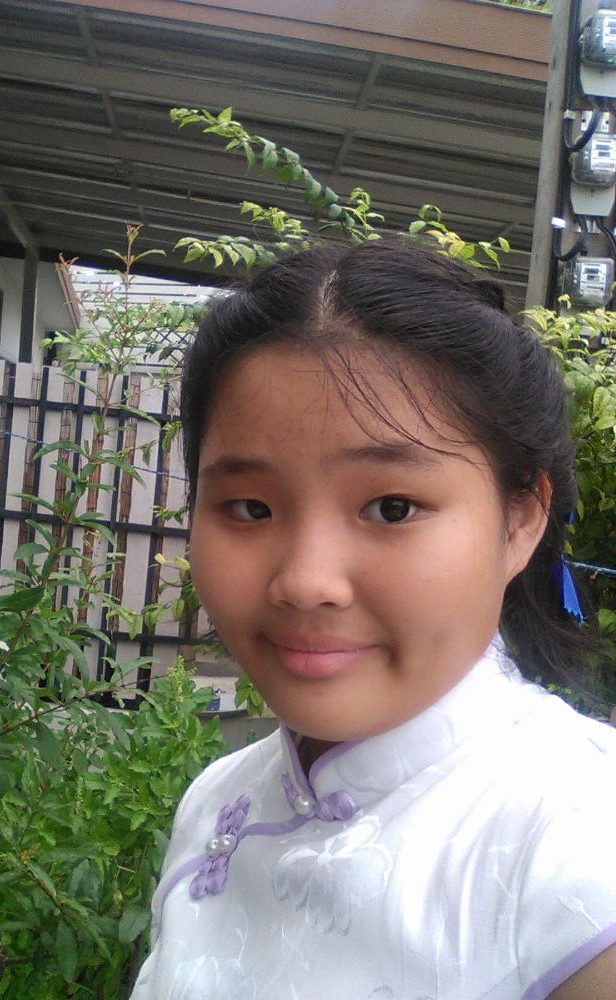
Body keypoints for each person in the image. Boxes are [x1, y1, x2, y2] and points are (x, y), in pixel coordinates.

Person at [129, 238, 616, 1000]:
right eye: (249, 508)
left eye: (392, 508)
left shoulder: (578, 847)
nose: (305, 582)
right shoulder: (216, 800)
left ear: (520, 518)